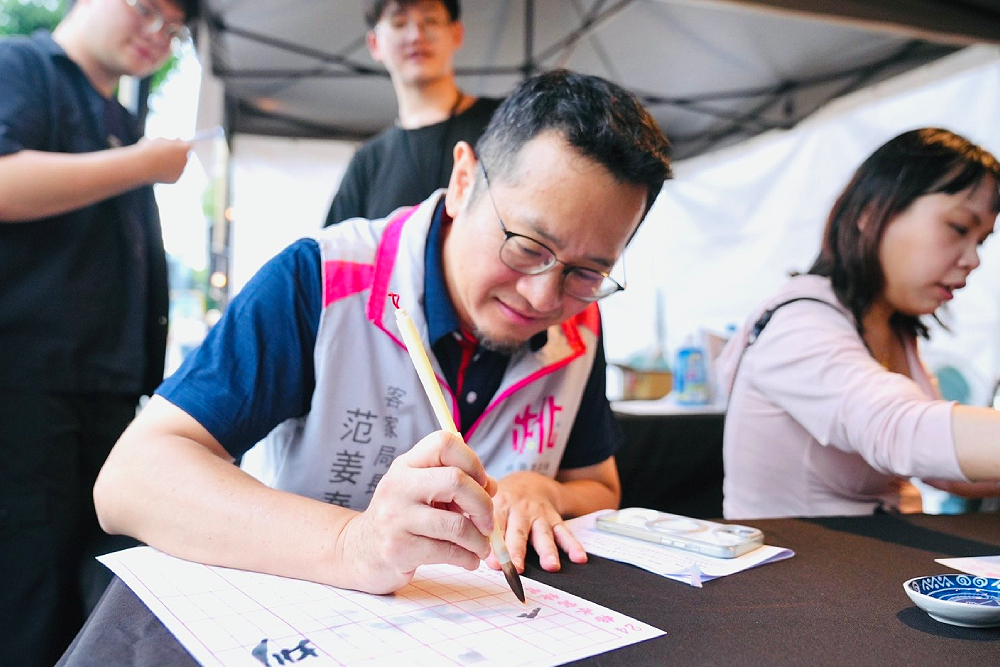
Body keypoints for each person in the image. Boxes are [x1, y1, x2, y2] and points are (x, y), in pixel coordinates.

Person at [94, 69, 672, 597]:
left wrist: (543, 490)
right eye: (527, 246)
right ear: (464, 179)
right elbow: (131, 480)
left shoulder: (578, 322)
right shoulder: (323, 280)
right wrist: (353, 544)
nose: (543, 297)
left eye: (588, 272)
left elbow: (599, 486)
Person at [0, 0, 198, 663]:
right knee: (28, 594)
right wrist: (140, 163)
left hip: (106, 397)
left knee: (92, 590)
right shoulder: (22, 65)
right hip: (25, 390)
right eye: (147, 10)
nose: (158, 35)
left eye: (173, 29)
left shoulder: (120, 116)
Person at [717, 128, 1000, 520]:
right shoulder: (798, 323)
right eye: (958, 228)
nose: (973, 260)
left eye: (981, 241)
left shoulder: (894, 328)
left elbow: (940, 466)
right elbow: (899, 429)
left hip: (877, 546)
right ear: (871, 212)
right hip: (796, 556)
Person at [323, 0, 502, 226]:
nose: (416, 35)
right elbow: (333, 244)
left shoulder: (505, 123)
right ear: (374, 43)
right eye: (399, 23)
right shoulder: (367, 162)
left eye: (431, 20)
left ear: (456, 33)